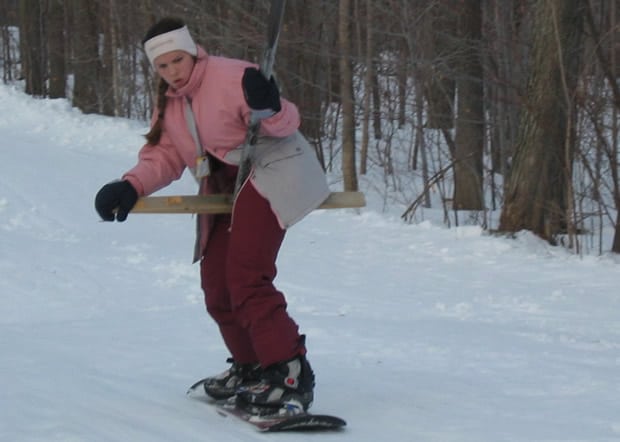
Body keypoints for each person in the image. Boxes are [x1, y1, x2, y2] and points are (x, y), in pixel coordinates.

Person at [94, 17, 330, 413]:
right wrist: (131, 185)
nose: (172, 71)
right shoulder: (169, 102)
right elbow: (164, 155)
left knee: (246, 275)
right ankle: (251, 365)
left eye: (177, 61)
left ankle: (288, 372)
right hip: (225, 182)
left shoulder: (233, 75)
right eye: (162, 66)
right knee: (217, 283)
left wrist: (269, 104)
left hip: (272, 167)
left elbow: (284, 122)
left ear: (191, 52)